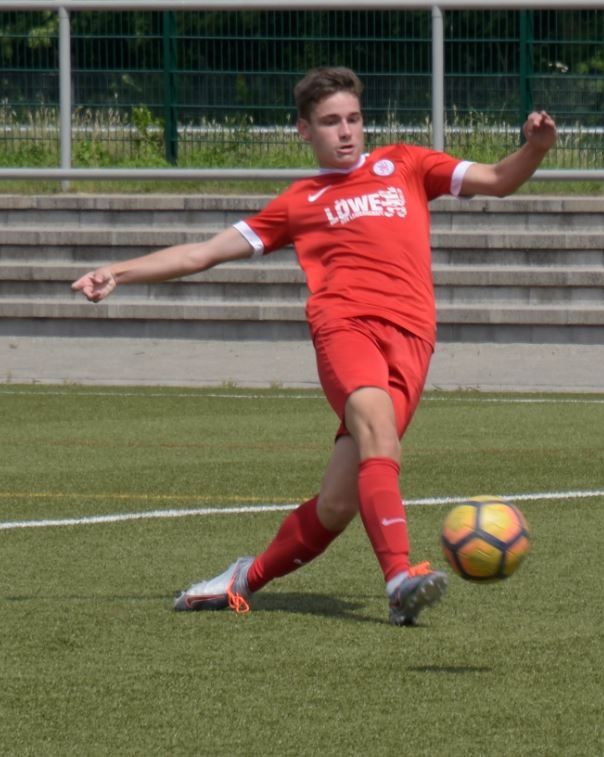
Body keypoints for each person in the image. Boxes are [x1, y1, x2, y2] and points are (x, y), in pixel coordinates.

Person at [71, 66, 556, 626]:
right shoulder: (300, 201)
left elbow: (497, 179)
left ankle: (242, 579)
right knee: (377, 429)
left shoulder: (406, 164)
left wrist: (535, 148)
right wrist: (119, 271)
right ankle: (399, 580)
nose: (345, 131)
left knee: (338, 504)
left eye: (353, 118)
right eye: (330, 122)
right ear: (304, 130)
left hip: (413, 340)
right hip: (345, 329)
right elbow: (202, 253)